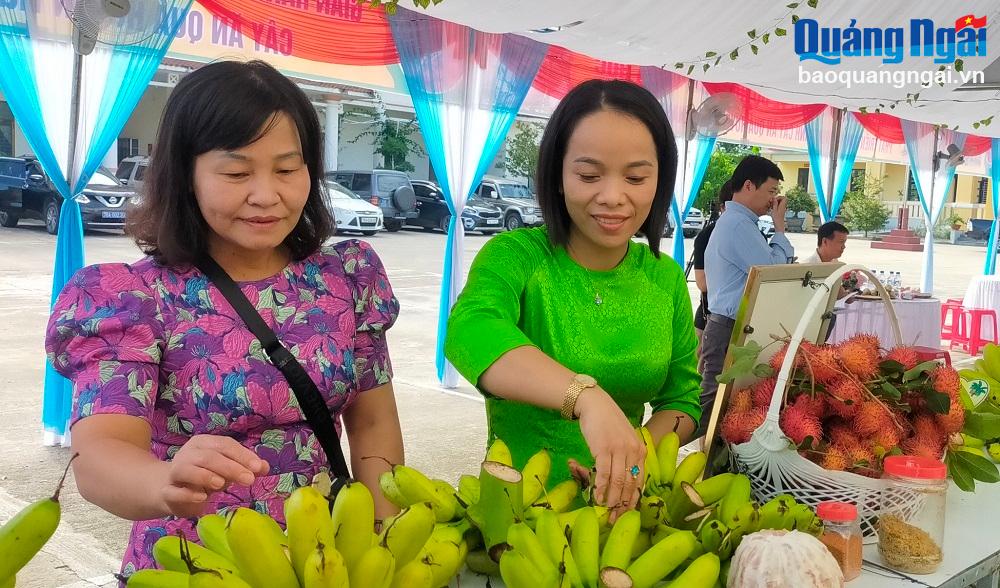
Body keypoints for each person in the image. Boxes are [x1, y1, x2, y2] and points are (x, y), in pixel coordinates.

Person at [44, 60, 405, 576]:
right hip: (194, 566)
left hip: (325, 560)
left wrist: (384, 545)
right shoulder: (130, 297)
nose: (266, 194)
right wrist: (163, 481)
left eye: (287, 168)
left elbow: (374, 428)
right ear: (186, 174)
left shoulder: (348, 277)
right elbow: (101, 453)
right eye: (236, 172)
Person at [444, 80, 701, 520]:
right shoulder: (517, 257)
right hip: (520, 511)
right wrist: (586, 398)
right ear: (558, 176)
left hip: (624, 508)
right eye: (589, 175)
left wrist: (630, 457)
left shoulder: (664, 278)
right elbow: (470, 330)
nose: (613, 196)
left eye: (636, 177)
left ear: (660, 181)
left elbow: (682, 401)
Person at [699, 155, 793, 437]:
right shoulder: (739, 225)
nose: (774, 200)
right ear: (749, 186)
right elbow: (773, 270)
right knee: (716, 401)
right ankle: (688, 458)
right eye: (771, 192)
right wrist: (779, 228)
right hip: (729, 325)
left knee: (724, 400)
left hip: (727, 322)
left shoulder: (738, 222)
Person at [692, 180, 734, 372]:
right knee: (700, 364)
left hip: (738, 317)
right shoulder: (707, 235)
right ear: (723, 207)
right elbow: (702, 284)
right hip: (710, 314)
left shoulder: (754, 233)